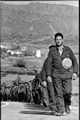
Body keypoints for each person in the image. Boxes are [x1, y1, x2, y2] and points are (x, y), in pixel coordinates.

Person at [46, 33, 78, 116]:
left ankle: (66, 103)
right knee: (58, 93)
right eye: (57, 39)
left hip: (67, 74)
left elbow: (74, 61)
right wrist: (49, 75)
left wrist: (75, 72)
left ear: (62, 40)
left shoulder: (68, 50)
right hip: (56, 74)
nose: (58, 41)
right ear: (55, 40)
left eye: (60, 39)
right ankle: (60, 109)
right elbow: (48, 64)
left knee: (67, 91)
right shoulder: (52, 51)